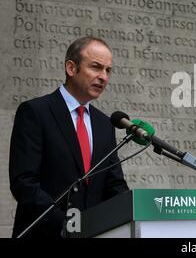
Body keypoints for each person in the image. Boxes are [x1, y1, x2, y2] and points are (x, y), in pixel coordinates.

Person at [9, 37, 129, 238]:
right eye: (96, 67)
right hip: (46, 233)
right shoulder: (36, 112)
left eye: (108, 70)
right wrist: (67, 225)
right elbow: (24, 182)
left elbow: (114, 184)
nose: (104, 77)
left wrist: (132, 211)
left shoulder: (104, 124)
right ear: (71, 68)